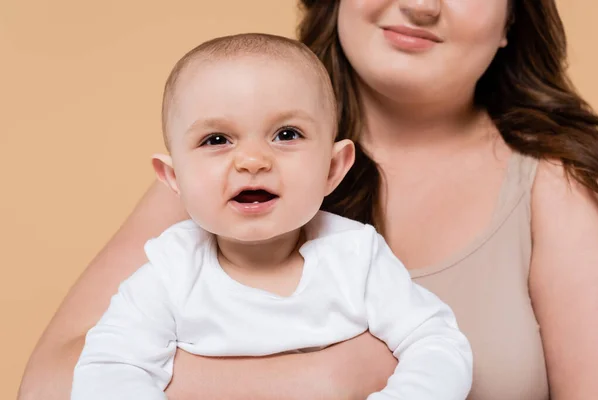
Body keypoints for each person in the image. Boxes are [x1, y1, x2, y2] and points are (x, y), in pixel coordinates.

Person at [19, 1, 598, 400]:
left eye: (288, 136)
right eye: (219, 140)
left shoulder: (552, 182)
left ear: (511, 19)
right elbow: (50, 384)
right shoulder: (219, 176)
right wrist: (324, 377)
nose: (421, 3)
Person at [70, 33, 472, 400]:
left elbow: (436, 343)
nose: (251, 161)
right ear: (174, 178)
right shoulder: (168, 276)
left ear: (333, 168)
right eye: (216, 140)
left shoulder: (356, 258)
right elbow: (110, 372)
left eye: (286, 134)